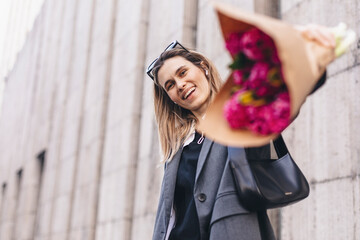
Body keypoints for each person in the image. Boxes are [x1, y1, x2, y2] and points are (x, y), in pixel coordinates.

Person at [147, 26, 335, 240]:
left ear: (203, 68)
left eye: (183, 72)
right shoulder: (177, 147)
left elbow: (282, 100)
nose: (180, 85)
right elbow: (170, 217)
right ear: (169, 97)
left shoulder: (238, 114)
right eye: (170, 85)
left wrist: (309, 54)